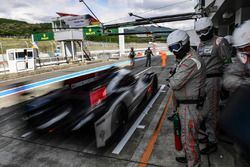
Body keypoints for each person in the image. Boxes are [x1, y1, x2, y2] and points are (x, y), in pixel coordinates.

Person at [167, 30, 206, 167]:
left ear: (185, 44)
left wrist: (170, 77)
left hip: (190, 107)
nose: (173, 51)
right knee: (185, 137)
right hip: (186, 106)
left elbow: (174, 83)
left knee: (189, 140)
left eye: (176, 47)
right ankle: (191, 158)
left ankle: (194, 163)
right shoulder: (184, 58)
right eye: (171, 48)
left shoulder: (190, 61)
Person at [194, 17, 232, 155]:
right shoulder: (200, 45)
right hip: (201, 81)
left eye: (204, 31)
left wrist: (225, 84)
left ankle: (212, 141)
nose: (202, 35)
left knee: (212, 112)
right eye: (199, 32)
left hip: (214, 80)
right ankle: (209, 135)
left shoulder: (220, 42)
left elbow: (227, 64)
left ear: (210, 28)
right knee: (202, 110)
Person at [223, 20, 250, 92]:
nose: (245, 52)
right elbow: (229, 79)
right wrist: (245, 83)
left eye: (247, 48)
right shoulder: (242, 58)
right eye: (240, 49)